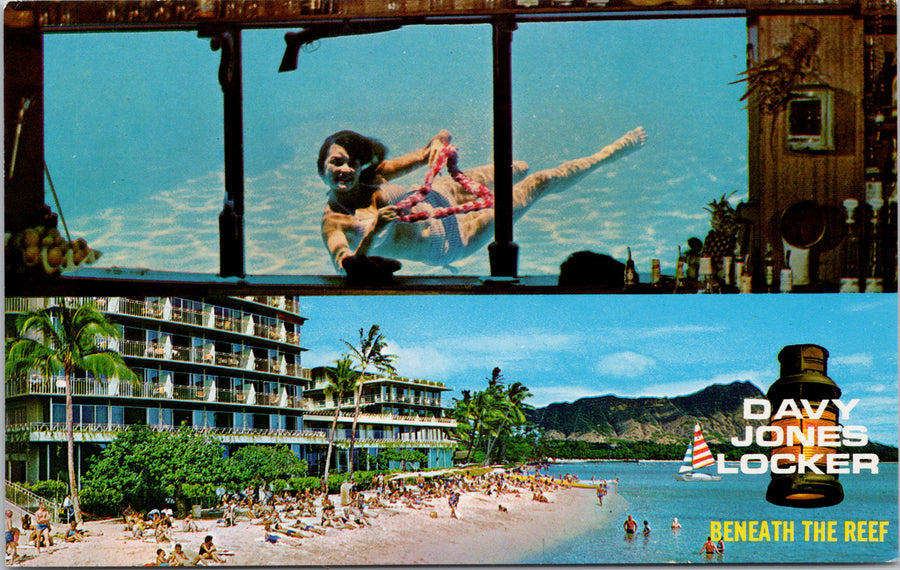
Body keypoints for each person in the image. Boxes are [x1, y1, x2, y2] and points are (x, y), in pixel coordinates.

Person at [319, 126, 647, 272]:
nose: (345, 170)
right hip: (450, 240)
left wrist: (437, 147)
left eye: (352, 162)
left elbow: (442, 137)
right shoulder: (335, 222)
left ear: (362, 164)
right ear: (320, 167)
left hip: (443, 194)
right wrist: (374, 233)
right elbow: (348, 267)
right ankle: (608, 154)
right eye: (336, 162)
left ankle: (596, 160)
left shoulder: (376, 175)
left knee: (520, 167)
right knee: (539, 182)